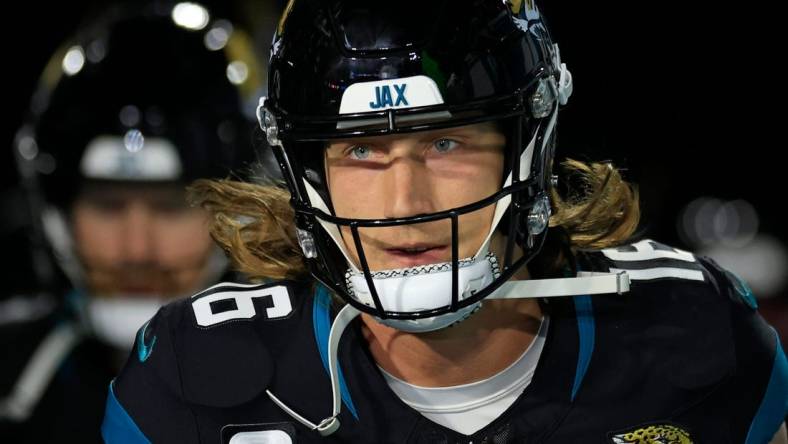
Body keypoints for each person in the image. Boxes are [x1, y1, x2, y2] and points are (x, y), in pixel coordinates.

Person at [102, 0, 788, 442]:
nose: (406, 203)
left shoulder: (696, 335)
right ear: (307, 170)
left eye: (446, 142)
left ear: (529, 146)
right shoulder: (192, 378)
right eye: (362, 149)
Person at [0, 3, 265, 442]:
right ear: (57, 215)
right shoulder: (12, 379)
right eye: (107, 206)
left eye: (173, 206)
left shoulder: (324, 379)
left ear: (243, 210)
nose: (136, 249)